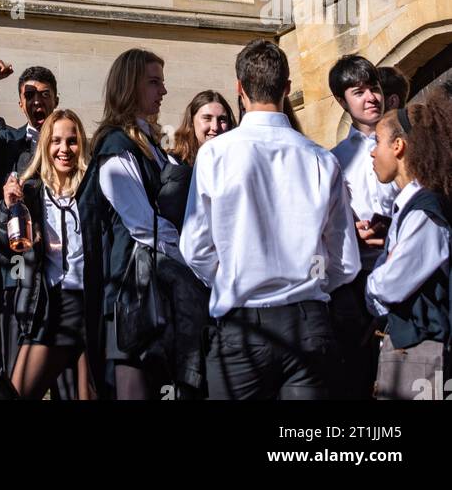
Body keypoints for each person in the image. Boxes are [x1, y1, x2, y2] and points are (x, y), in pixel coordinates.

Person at [180, 39, 361, 401]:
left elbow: (195, 247)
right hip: (308, 321)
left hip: (243, 324)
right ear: (287, 89)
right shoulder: (321, 159)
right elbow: (344, 261)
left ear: (239, 89)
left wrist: (233, 275)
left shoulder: (216, 154)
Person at [78, 49, 205, 400]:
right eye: (153, 82)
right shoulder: (116, 146)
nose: (162, 91)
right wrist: (193, 260)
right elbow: (142, 225)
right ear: (129, 86)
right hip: (129, 294)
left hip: (155, 290)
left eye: (162, 83)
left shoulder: (151, 144)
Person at [0, 109, 91, 399]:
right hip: (52, 306)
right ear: (45, 146)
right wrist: (7, 210)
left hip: (91, 306)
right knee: (17, 393)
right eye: (56, 141)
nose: (64, 149)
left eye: (72, 141)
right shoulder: (33, 192)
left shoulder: (93, 190)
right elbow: (6, 252)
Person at [367, 91, 452, 400]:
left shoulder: (426, 212)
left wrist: (373, 283)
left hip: (421, 352)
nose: (372, 153)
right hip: (409, 351)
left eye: (377, 142)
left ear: (398, 146)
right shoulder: (412, 208)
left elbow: (389, 285)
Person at [328, 53, 398, 399]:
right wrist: (350, 231)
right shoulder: (333, 158)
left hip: (406, 276)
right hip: (357, 282)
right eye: (359, 92)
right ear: (342, 101)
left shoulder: (408, 144)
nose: (371, 97)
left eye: (374, 88)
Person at [171, 90, 235, 167]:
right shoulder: (175, 163)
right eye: (207, 118)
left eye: (222, 119)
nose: (215, 127)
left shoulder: (236, 161)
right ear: (191, 121)